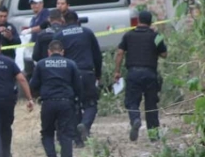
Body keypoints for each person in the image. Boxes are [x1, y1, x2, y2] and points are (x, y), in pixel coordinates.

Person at [29, 40, 82, 157]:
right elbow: (78, 85)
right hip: (66, 102)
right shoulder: (71, 64)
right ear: (62, 52)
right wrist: (77, 100)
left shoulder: (41, 64)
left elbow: (33, 84)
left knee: (47, 133)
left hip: (48, 102)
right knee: (66, 135)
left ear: (49, 52)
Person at [114, 10, 167, 141]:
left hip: (133, 73)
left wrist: (117, 71)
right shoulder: (156, 35)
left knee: (132, 101)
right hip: (150, 73)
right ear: (151, 22)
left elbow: (120, 53)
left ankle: (135, 119)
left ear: (138, 21)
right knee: (151, 105)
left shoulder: (128, 35)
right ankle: (154, 135)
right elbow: (164, 54)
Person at [54, 11, 102, 145]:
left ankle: (78, 140)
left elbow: (54, 56)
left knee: (73, 105)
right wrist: (98, 73)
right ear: (77, 20)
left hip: (69, 75)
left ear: (63, 20)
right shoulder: (87, 32)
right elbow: (97, 55)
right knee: (90, 104)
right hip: (87, 73)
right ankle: (85, 124)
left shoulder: (59, 35)